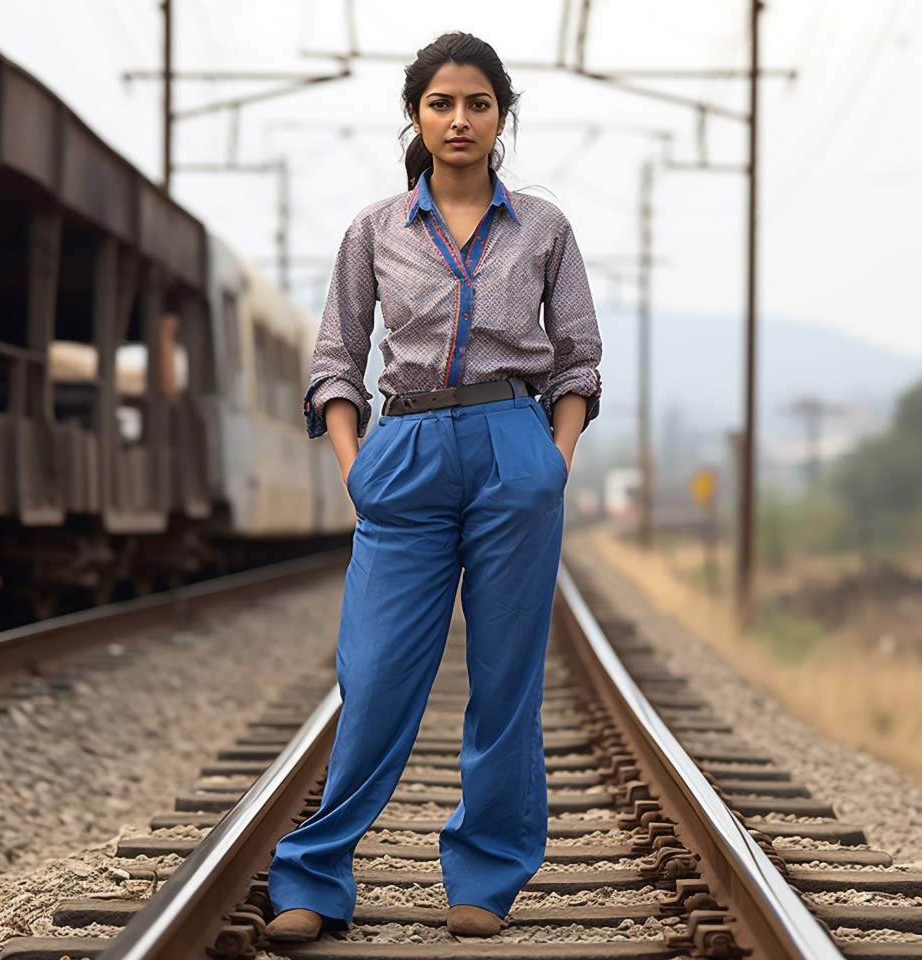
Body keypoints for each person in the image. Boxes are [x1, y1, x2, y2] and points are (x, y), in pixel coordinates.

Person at [265, 30, 602, 942]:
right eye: (442, 103)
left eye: (478, 104)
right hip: (404, 449)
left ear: (501, 117)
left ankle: (485, 878)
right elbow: (335, 360)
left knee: (505, 680)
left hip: (511, 443)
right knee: (373, 677)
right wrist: (356, 465)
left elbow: (577, 359)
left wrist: (552, 462)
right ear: (416, 115)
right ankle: (314, 876)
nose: (460, 119)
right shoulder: (373, 230)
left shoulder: (544, 228)